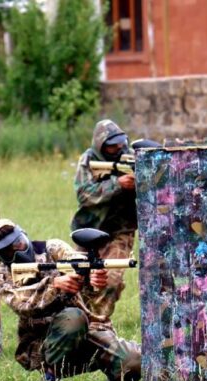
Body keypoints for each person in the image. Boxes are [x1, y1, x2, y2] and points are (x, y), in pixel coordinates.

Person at [0, 219, 140, 381]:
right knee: (73, 318)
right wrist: (54, 285)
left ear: (25, 236)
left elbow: (74, 259)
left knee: (133, 360)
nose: (17, 252)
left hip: (87, 330)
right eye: (8, 252)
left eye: (19, 244)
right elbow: (23, 303)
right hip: (44, 342)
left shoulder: (51, 248)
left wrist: (90, 277)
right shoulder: (3, 275)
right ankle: (50, 377)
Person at [71, 118, 136, 318]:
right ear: (101, 146)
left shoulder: (132, 158)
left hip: (120, 232)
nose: (118, 148)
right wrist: (118, 184)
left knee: (110, 280)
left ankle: (99, 324)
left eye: (120, 143)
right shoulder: (89, 160)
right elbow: (84, 194)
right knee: (79, 278)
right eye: (112, 146)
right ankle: (81, 321)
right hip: (88, 232)